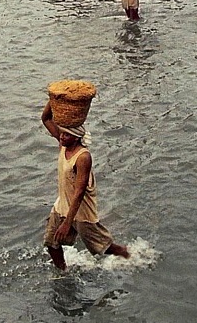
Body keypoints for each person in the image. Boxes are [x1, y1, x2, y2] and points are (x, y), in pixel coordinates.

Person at [40, 103, 130, 271]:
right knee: (51, 242)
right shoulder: (63, 145)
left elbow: (80, 192)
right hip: (62, 205)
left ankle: (128, 255)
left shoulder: (83, 157)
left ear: (76, 137)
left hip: (82, 212)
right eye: (62, 134)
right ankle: (63, 272)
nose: (62, 137)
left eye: (67, 135)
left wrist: (67, 223)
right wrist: (53, 99)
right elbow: (46, 118)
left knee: (103, 248)